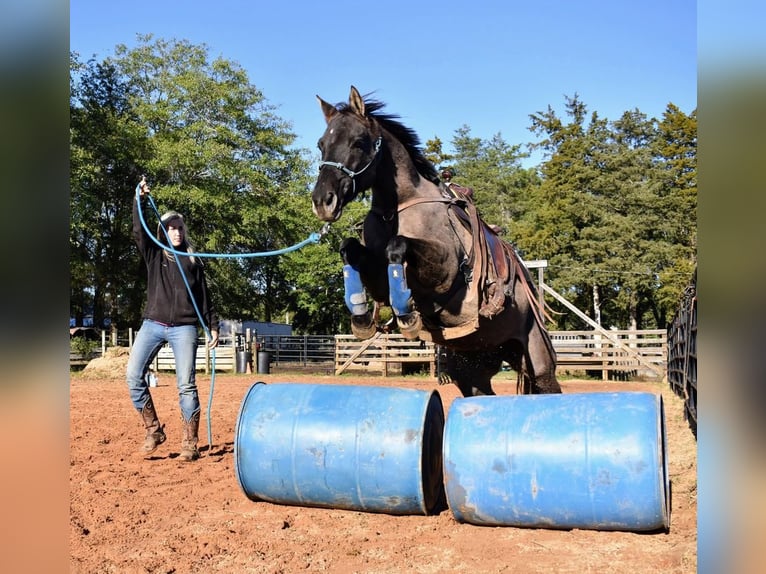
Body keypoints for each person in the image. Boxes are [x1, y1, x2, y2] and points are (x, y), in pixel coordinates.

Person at [126, 177, 219, 461]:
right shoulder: (154, 254)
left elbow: (203, 296)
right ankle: (154, 429)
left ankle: (190, 443)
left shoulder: (193, 260)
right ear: (163, 231)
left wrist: (212, 325)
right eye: (171, 227)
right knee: (132, 375)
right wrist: (139, 199)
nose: (176, 232)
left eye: (179, 227)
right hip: (153, 323)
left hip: (185, 328)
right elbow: (138, 230)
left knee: (186, 384)